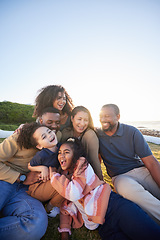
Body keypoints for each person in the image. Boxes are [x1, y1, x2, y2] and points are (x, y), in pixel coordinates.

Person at [50, 138, 160, 240]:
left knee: (151, 235)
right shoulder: (64, 181)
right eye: (59, 152)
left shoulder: (82, 166)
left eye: (66, 152)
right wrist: (64, 233)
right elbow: (65, 208)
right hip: (103, 226)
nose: (61, 156)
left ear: (75, 156)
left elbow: (73, 193)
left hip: (115, 207)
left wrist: (54, 177)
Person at [0, 107, 63, 240]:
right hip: (4, 181)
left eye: (57, 123)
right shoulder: (19, 137)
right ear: (40, 120)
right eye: (49, 122)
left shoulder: (55, 139)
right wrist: (20, 177)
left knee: (36, 223)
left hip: (25, 191)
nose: (53, 127)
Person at [96, 104, 160, 224]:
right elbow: (97, 161)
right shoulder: (97, 135)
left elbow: (151, 162)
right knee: (138, 195)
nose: (103, 119)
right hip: (120, 177)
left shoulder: (132, 132)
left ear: (118, 117)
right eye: (101, 116)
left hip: (141, 171)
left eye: (107, 116)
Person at [17, 122, 64, 216]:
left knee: (66, 182)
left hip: (49, 182)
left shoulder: (61, 147)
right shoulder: (41, 155)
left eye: (49, 132)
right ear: (39, 146)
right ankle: (49, 208)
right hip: (37, 188)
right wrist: (43, 168)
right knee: (64, 184)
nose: (49, 136)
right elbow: (30, 166)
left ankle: (55, 202)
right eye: (44, 137)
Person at [61, 106, 103, 180]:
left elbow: (94, 161)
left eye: (86, 120)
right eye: (79, 119)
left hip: (86, 173)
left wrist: (100, 180)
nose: (82, 124)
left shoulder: (90, 135)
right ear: (72, 119)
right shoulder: (65, 133)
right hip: (68, 173)